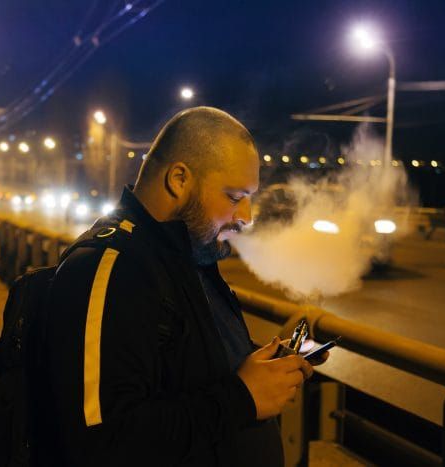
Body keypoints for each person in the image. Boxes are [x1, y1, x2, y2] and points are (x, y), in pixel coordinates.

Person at [40, 107, 324, 466]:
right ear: (178, 179)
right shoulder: (109, 267)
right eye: (235, 197)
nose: (246, 218)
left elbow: (186, 364)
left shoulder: (188, 255)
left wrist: (259, 363)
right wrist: (243, 398)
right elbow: (101, 441)